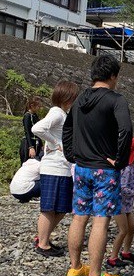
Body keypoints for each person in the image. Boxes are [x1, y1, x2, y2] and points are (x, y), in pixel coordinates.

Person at [63, 54, 133, 276]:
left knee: (79, 217)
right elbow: (126, 130)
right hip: (104, 169)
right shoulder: (116, 99)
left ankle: (75, 268)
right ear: (113, 76)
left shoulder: (80, 99)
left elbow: (68, 127)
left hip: (81, 167)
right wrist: (120, 161)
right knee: (101, 221)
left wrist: (71, 154)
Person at [31, 81, 80, 257]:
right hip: (54, 167)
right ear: (67, 98)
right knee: (50, 208)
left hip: (62, 167)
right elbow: (37, 128)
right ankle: (42, 243)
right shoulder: (57, 113)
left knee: (61, 207)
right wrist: (55, 142)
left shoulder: (62, 114)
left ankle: (42, 238)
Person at [106, 137, 134, 268]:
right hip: (119, 202)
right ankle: (112, 257)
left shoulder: (131, 167)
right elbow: (123, 188)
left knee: (132, 227)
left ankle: (126, 252)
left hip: (126, 204)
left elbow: (131, 182)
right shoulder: (126, 168)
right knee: (123, 230)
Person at [20, 96, 42, 163]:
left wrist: (41, 144)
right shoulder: (27, 116)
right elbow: (27, 132)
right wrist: (31, 147)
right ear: (32, 106)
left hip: (36, 143)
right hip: (28, 144)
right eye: (38, 106)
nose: (39, 108)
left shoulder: (35, 115)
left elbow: (38, 131)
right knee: (27, 164)